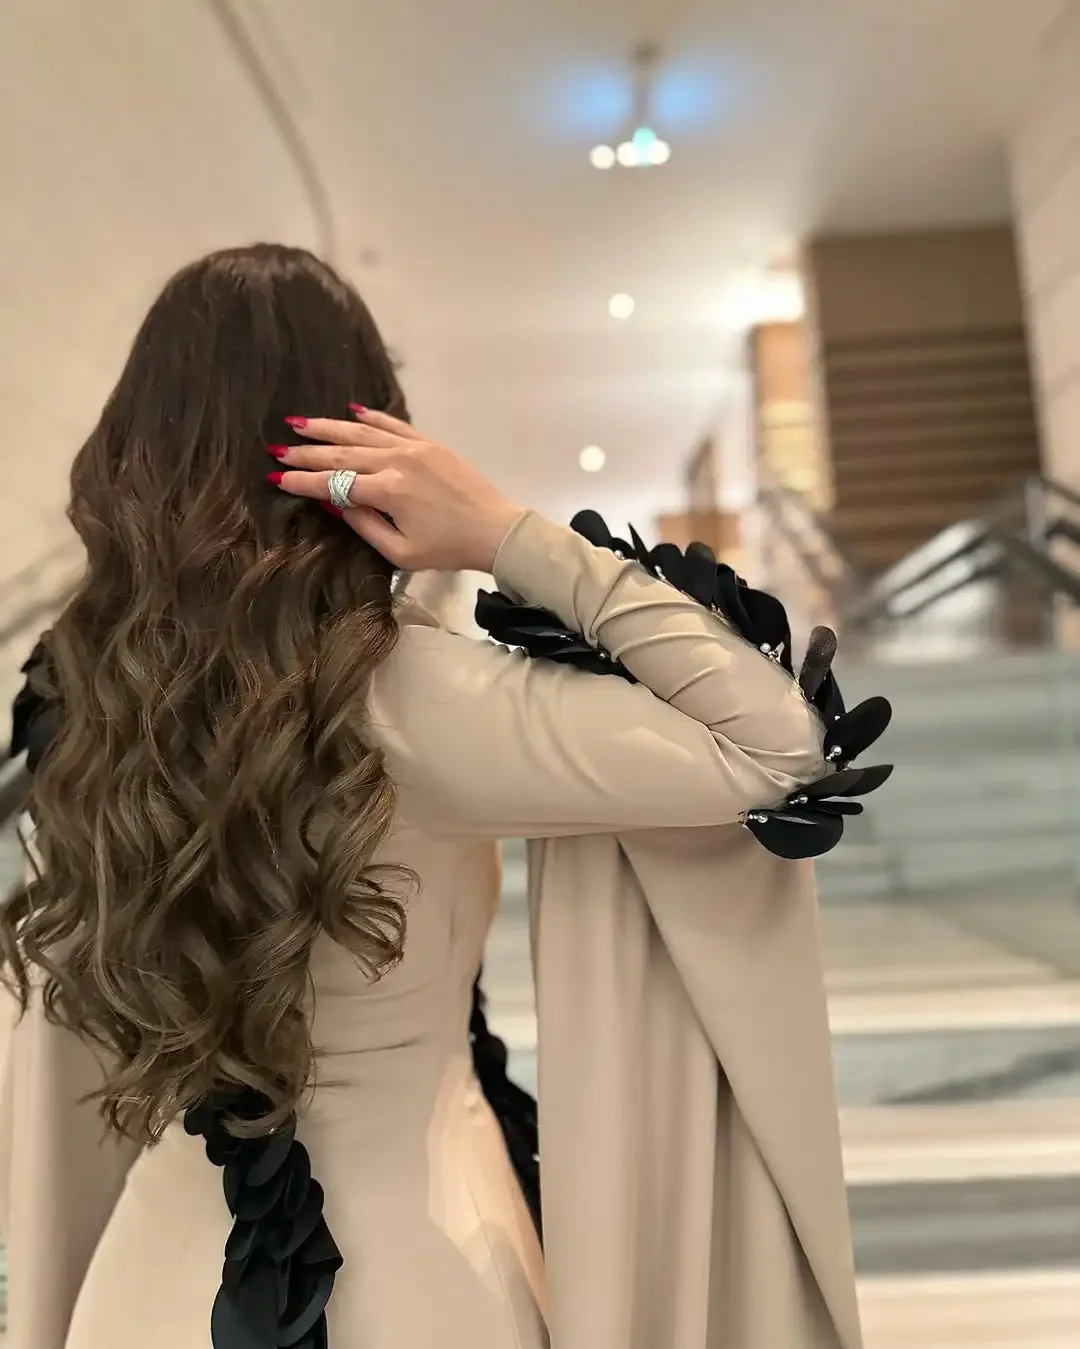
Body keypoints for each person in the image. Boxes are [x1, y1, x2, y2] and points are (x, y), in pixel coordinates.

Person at [0, 244, 862, 1349]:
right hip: (411, 1273)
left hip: (140, 1286)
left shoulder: (83, 697)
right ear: (370, 442)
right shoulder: (409, 695)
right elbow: (783, 744)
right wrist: (505, 533)